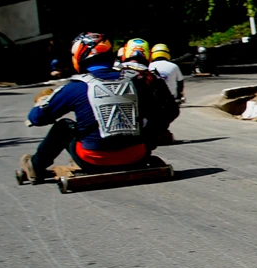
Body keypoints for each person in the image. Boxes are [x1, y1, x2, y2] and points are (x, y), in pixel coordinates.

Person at [20, 32, 167, 182]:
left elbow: (36, 118)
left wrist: (45, 100)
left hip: (93, 160)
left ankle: (35, 166)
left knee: (64, 126)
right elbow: (162, 115)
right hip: (136, 156)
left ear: (78, 56)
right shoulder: (136, 81)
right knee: (152, 115)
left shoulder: (76, 86)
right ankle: (133, 150)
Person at [121, 38, 180, 144]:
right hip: (146, 129)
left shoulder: (113, 74)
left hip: (116, 129)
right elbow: (172, 109)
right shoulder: (153, 77)